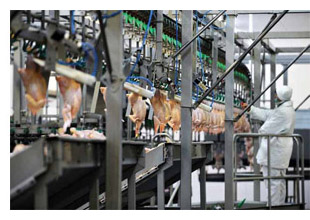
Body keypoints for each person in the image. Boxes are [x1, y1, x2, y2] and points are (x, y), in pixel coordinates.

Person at [241, 85, 296, 206]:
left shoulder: (283, 112)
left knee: (273, 184)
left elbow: (265, 129)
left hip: (275, 154)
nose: (275, 96)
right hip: (279, 153)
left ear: (281, 97)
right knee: (279, 183)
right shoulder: (285, 109)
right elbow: (268, 114)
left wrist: (256, 127)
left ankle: (274, 210)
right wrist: (251, 109)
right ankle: (279, 207)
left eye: (276, 94)